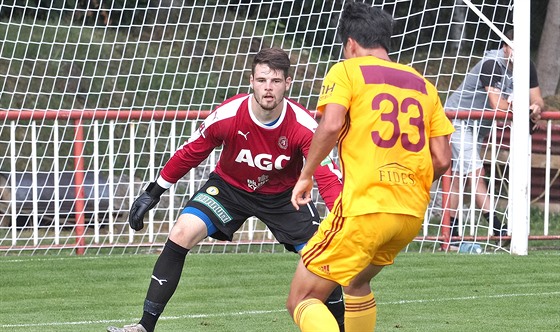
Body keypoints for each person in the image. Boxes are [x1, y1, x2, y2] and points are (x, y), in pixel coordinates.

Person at [107, 47, 346, 332]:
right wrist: (153, 192)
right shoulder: (229, 114)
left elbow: (327, 177)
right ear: (251, 80)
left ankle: (343, 328)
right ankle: (144, 326)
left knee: (322, 259)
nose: (268, 88)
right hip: (230, 190)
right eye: (262, 80)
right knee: (181, 232)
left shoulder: (303, 125)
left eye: (276, 81)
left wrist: (342, 218)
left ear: (288, 83)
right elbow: (190, 152)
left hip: (284, 198)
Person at [285, 2, 455, 331]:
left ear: (350, 43)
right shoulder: (422, 83)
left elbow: (331, 125)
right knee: (356, 284)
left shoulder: (347, 70)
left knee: (302, 299)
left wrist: (306, 175)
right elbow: (443, 159)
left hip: (365, 208)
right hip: (408, 215)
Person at [445, 29, 544, 243]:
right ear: (505, 46)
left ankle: (450, 234)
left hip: (479, 124)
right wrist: (519, 108)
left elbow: (538, 100)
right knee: (475, 173)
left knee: (458, 178)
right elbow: (496, 104)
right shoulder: (492, 64)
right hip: (458, 119)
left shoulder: (526, 66)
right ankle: (499, 228)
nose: (519, 53)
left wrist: (535, 108)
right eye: (514, 47)